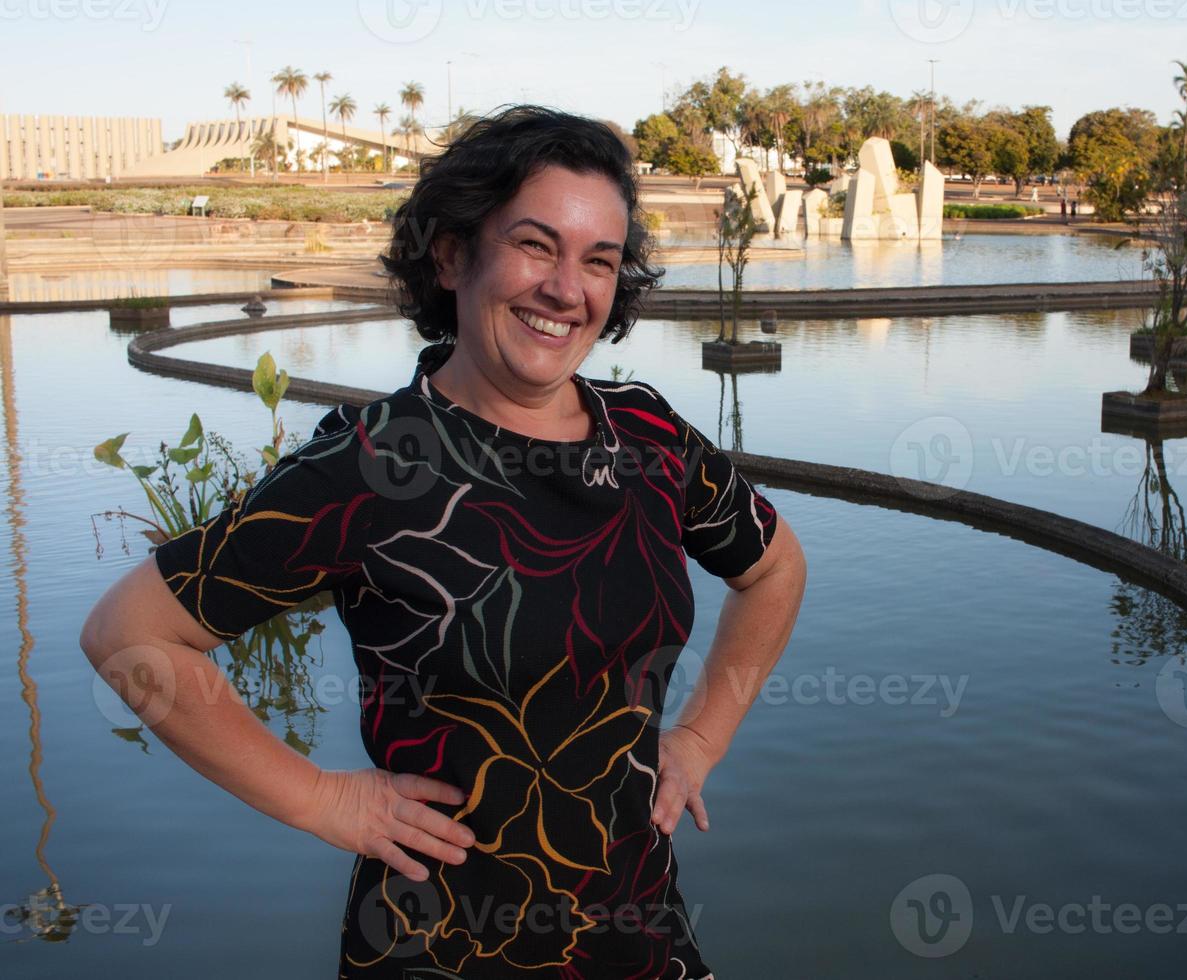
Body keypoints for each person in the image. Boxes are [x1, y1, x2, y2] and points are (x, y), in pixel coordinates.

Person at [80, 105, 807, 978]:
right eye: (536, 245)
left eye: (599, 261)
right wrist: (320, 798)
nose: (566, 289)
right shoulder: (374, 462)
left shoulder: (647, 438)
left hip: (639, 934)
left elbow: (773, 567)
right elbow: (130, 635)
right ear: (455, 253)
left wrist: (698, 740)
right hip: (443, 946)